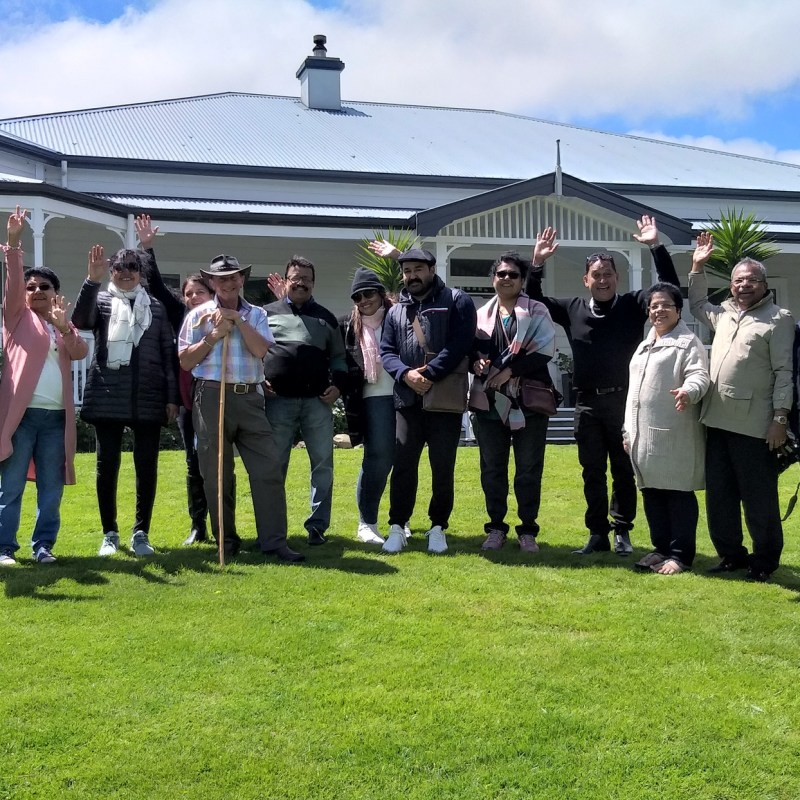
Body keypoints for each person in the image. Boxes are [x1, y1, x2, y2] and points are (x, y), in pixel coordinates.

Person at [527, 215, 679, 556]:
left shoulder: (632, 305)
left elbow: (668, 288)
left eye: (608, 274)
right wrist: (536, 262)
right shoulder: (573, 309)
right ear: (586, 279)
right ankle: (597, 534)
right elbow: (533, 299)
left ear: (616, 278)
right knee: (591, 471)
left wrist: (655, 245)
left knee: (624, 470)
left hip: (626, 403)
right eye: (596, 275)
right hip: (586, 404)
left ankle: (622, 531)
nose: (603, 280)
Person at [178, 254, 303, 562]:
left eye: (234, 277)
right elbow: (185, 361)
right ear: (212, 282)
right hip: (210, 396)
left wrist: (238, 321)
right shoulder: (197, 316)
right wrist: (213, 337)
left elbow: (262, 350)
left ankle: (274, 541)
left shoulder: (258, 314)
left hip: (249, 397)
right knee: (217, 472)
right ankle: (226, 542)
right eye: (221, 278)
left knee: (268, 469)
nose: (228, 283)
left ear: (242, 280)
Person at [689, 233, 795, 582]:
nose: (744, 285)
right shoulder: (724, 314)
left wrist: (780, 418)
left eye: (751, 280)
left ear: (764, 285)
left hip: (755, 424)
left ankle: (764, 562)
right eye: (738, 280)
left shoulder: (778, 318)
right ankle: (731, 555)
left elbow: (784, 372)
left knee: (758, 498)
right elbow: (696, 304)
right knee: (719, 496)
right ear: (731, 286)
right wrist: (698, 266)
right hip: (716, 419)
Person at [71, 244, 179, 557]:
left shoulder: (156, 307)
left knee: (147, 467)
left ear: (142, 273)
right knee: (107, 467)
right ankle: (110, 533)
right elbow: (79, 320)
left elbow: (167, 356)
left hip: (148, 396)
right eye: (119, 267)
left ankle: (141, 533)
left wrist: (172, 398)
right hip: (108, 395)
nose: (125, 273)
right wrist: (92, 281)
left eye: (132, 267)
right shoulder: (102, 301)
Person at [0, 206, 88, 565]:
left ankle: (43, 547)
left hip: (56, 420)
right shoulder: (15, 318)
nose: (36, 290)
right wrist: (14, 242)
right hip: (21, 420)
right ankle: (5, 548)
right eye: (32, 287)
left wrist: (65, 326)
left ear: (56, 292)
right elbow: (15, 282)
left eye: (44, 286)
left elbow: (79, 352)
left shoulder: (62, 323)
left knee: (51, 489)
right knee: (12, 486)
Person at [378, 246, 477, 554]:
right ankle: (398, 526)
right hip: (407, 399)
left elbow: (460, 344)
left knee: (442, 466)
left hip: (444, 399)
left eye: (418, 270)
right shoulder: (395, 311)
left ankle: (438, 527)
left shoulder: (457, 300)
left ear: (432, 270)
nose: (412, 276)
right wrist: (407, 375)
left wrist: (429, 374)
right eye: (407, 271)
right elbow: (386, 352)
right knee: (404, 464)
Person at [133, 215, 215, 546]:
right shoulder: (182, 317)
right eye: (189, 293)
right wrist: (147, 248)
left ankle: (225, 524)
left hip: (221, 397)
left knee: (219, 464)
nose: (193, 297)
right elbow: (154, 286)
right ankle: (199, 525)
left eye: (200, 292)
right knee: (194, 463)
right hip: (187, 402)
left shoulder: (224, 317)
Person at [469, 251, 556, 553]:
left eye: (513, 274)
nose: (506, 278)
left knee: (528, 469)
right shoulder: (479, 315)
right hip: (489, 404)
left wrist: (509, 371)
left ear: (523, 280)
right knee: (492, 468)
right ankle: (495, 528)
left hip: (529, 404)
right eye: (501, 274)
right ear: (493, 279)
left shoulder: (538, 311)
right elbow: (472, 353)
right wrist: (476, 365)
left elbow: (544, 350)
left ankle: (527, 531)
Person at [623, 281, 709, 575]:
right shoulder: (645, 344)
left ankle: (680, 555)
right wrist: (627, 431)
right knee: (652, 492)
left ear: (678, 310)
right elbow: (634, 391)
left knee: (678, 493)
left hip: (674, 435)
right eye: (654, 306)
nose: (659, 310)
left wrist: (688, 391)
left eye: (665, 305)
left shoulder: (688, 343)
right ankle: (660, 548)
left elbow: (700, 375)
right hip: (642, 435)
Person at [262, 256, 347, 546]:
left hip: (317, 402)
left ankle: (318, 527)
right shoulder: (264, 314)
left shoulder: (327, 318)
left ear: (313, 283)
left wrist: (338, 386)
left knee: (323, 464)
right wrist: (258, 378)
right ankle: (274, 529)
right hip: (277, 402)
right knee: (275, 466)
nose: (301, 283)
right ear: (286, 280)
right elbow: (253, 351)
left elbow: (338, 357)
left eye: (306, 279)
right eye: (295, 277)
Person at [339, 268, 397, 545]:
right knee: (378, 458)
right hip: (373, 398)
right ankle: (367, 523)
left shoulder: (399, 317)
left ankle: (400, 521)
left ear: (381, 294)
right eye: (358, 296)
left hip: (405, 395)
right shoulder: (347, 326)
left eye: (369, 293)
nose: (363, 300)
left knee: (405, 461)